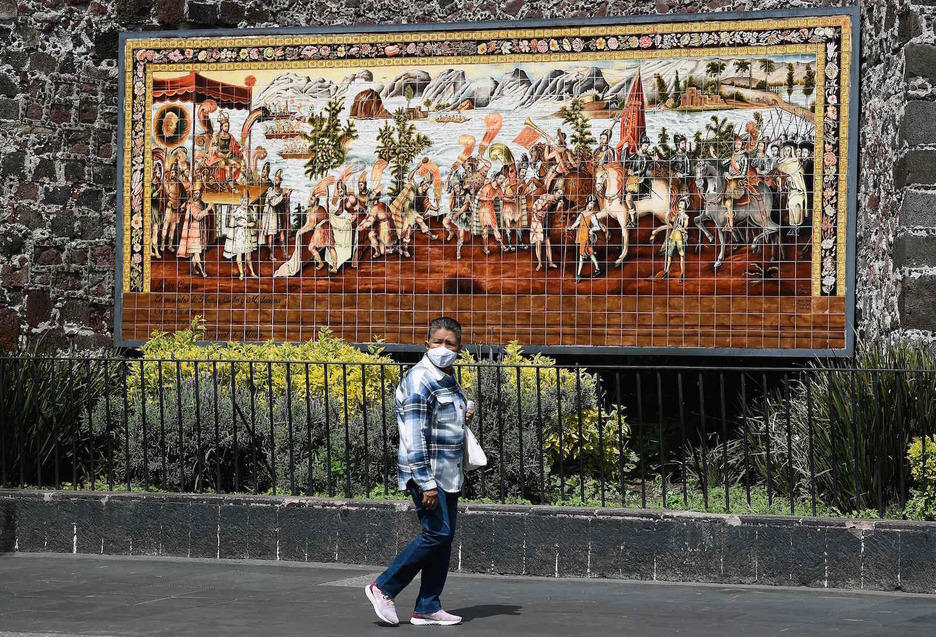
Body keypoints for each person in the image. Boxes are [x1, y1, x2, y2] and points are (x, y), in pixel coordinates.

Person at [365, 317, 474, 628]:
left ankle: (427, 606)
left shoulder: (448, 377)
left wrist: (465, 411)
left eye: (450, 343)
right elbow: (413, 436)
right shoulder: (420, 380)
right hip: (428, 474)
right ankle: (383, 587)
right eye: (438, 342)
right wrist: (426, 483)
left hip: (449, 472)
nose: (443, 348)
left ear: (459, 349)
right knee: (436, 534)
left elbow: (444, 417)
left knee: (443, 539)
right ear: (426, 345)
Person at [222, 188, 258, 279]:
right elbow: (240, 222)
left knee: (248, 255)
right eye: (245, 201)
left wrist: (255, 211)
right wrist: (249, 224)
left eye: (247, 201)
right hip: (239, 235)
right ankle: (241, 273)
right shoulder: (237, 210)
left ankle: (252, 272)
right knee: (239, 254)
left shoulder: (249, 210)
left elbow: (254, 219)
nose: (246, 203)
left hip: (247, 234)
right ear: (242, 201)